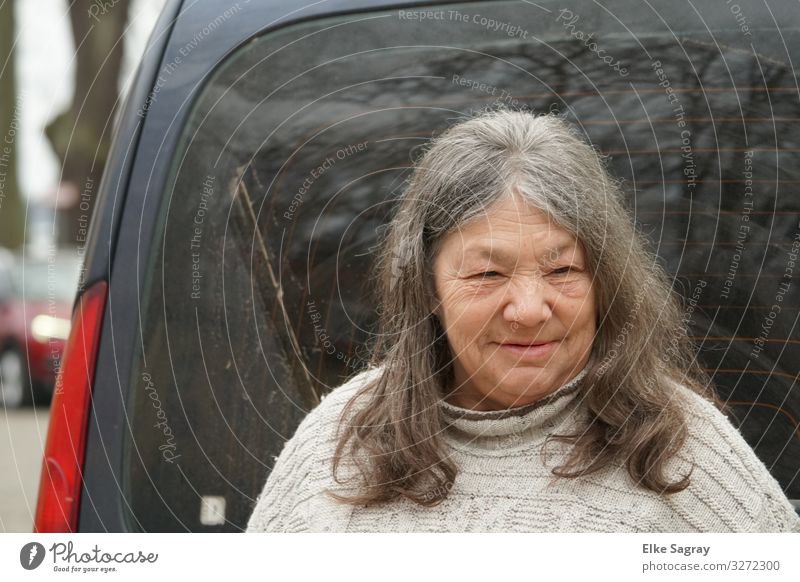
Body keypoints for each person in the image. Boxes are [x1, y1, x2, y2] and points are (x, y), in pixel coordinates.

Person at [246, 108, 800, 533]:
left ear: (604, 279)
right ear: (426, 286)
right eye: (487, 274)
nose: (531, 309)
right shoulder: (340, 445)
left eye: (562, 268)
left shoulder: (678, 449)